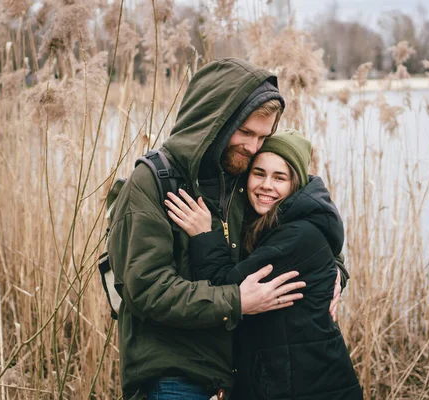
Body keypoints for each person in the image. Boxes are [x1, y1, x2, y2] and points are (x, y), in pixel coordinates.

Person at [107, 58, 344, 399]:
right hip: (172, 373)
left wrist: (335, 270)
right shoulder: (152, 183)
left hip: (234, 374)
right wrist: (236, 300)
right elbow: (145, 289)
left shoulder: (244, 180)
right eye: (245, 132)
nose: (253, 147)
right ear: (213, 122)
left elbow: (304, 227)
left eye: (263, 136)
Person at [165, 130, 363, 400]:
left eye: (279, 177)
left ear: (296, 184)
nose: (266, 185)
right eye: (259, 173)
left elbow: (226, 287)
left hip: (311, 388)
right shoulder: (269, 222)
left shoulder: (298, 235)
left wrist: (203, 235)